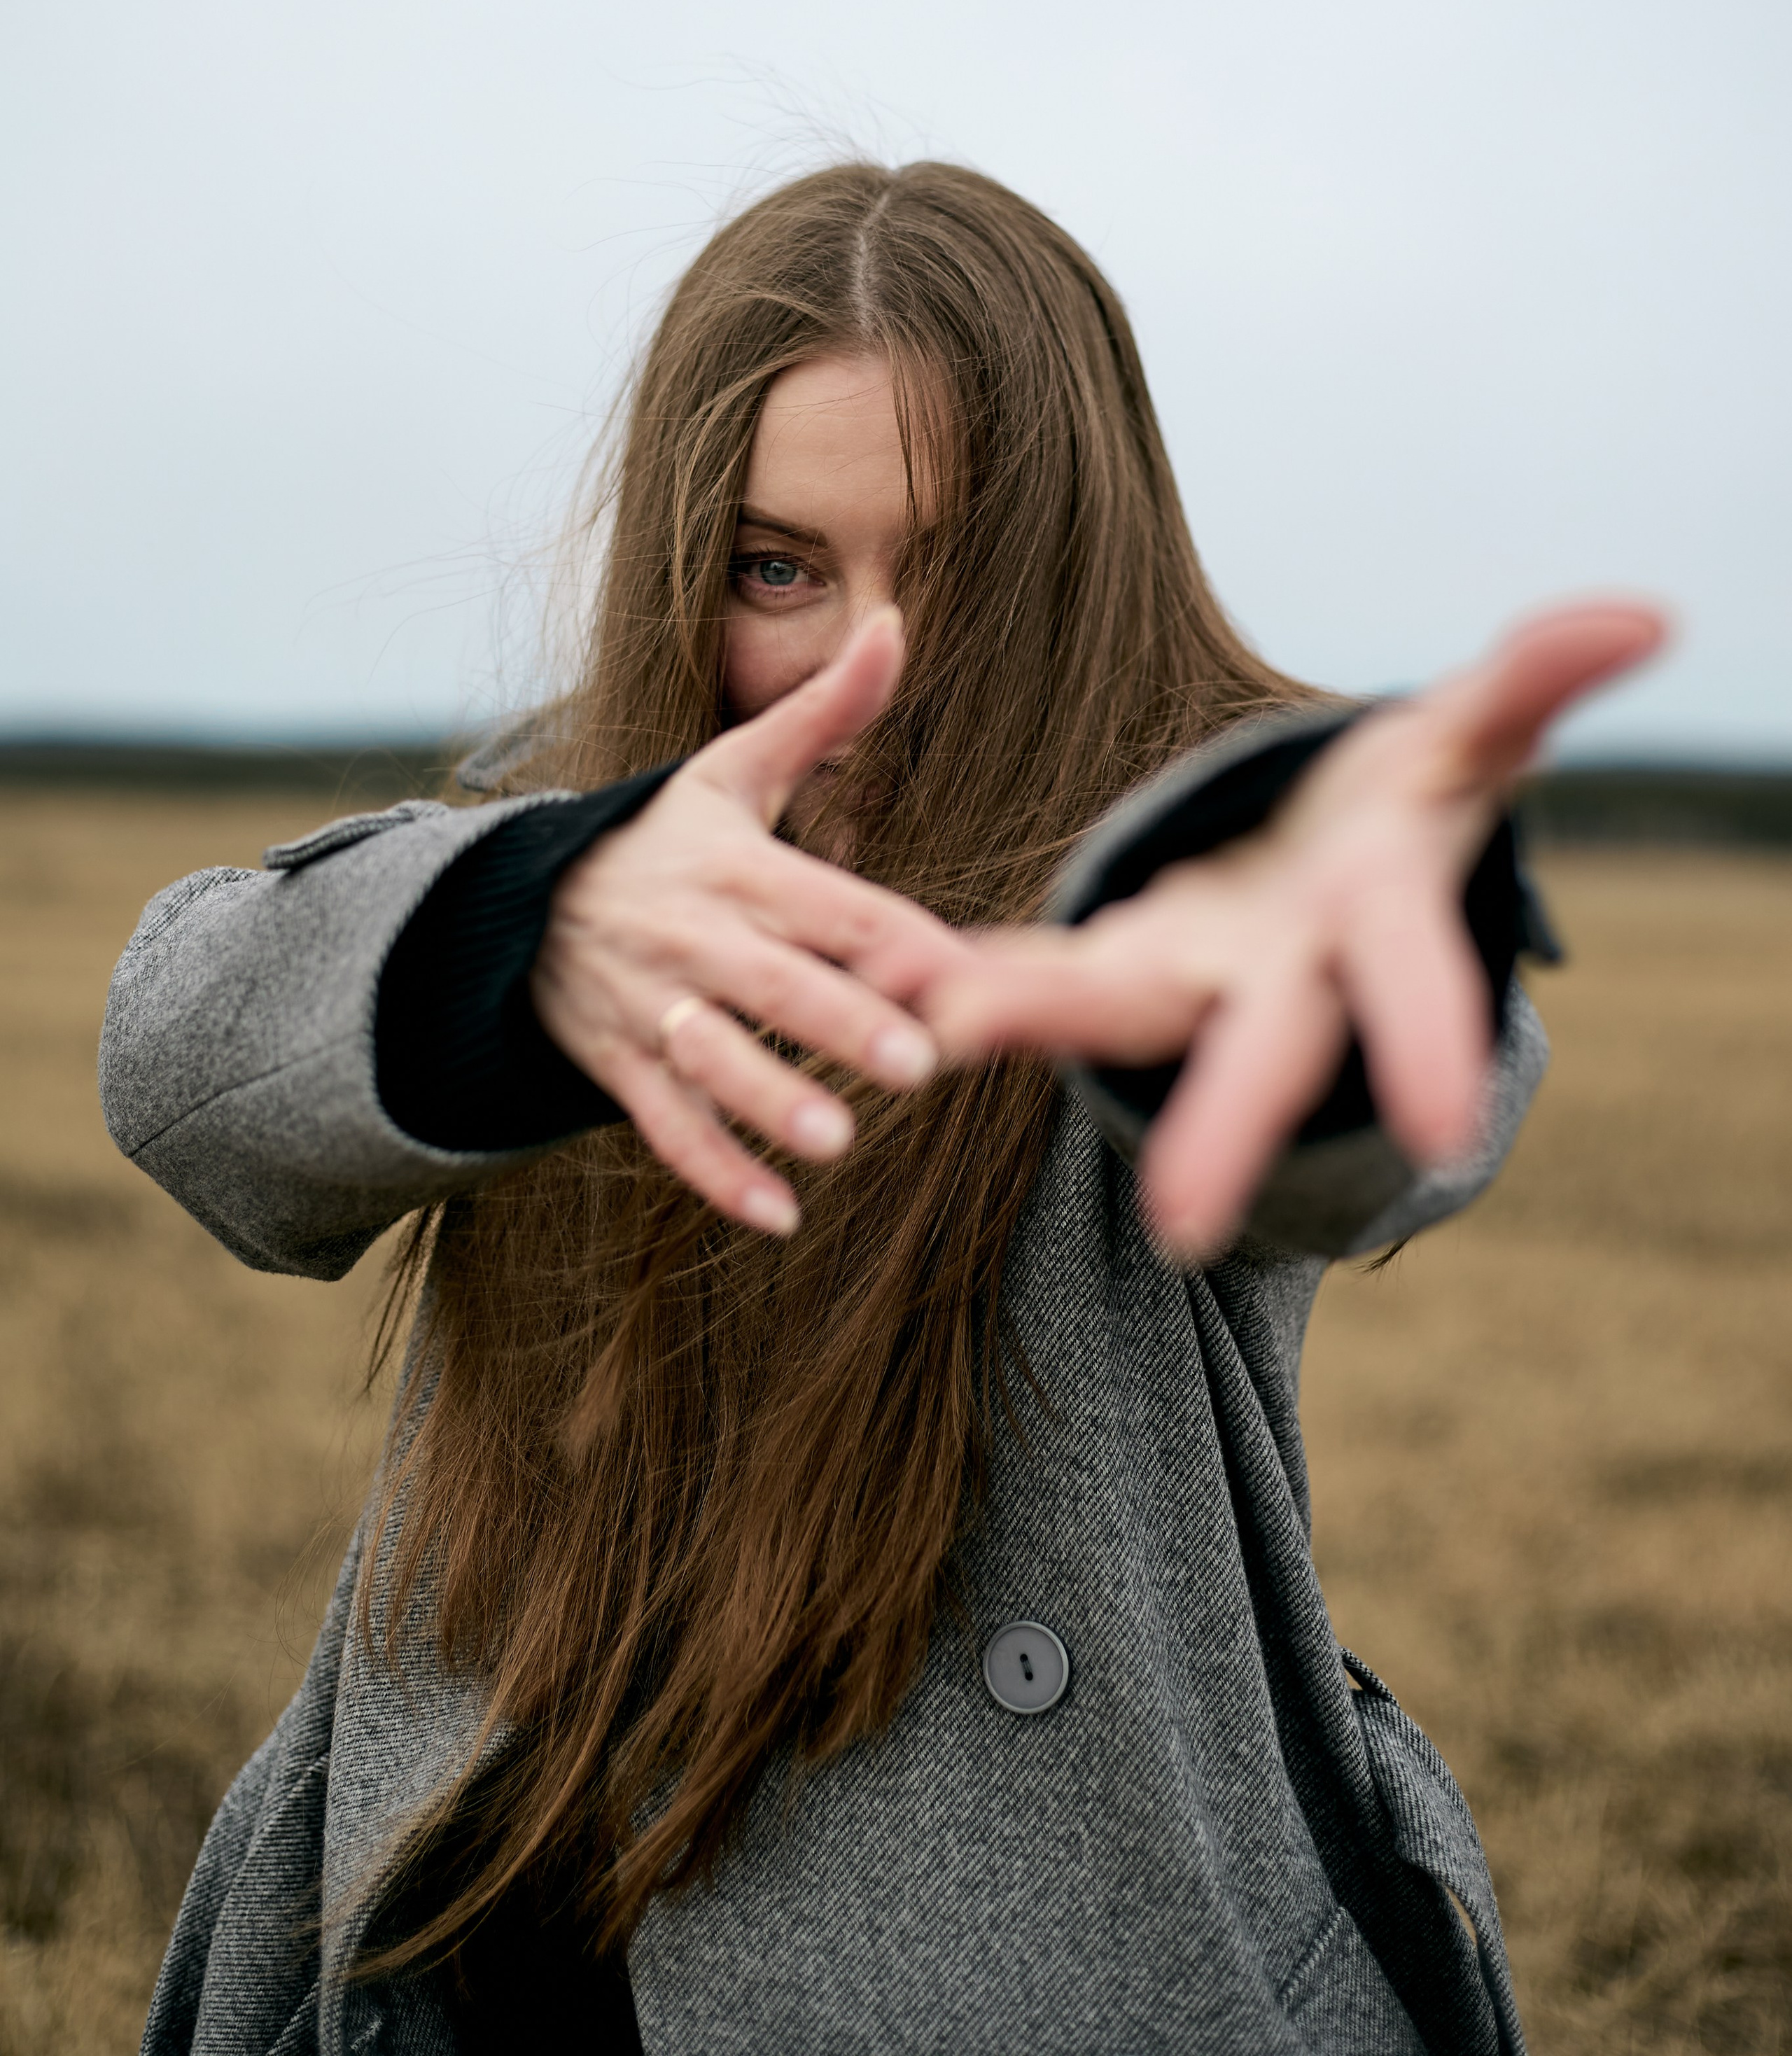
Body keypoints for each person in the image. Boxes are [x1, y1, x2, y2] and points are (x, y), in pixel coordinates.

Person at [101, 162, 1662, 2056]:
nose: (867, 676)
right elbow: (182, 1068)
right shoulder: (581, 834)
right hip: (491, 1967)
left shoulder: (1186, 851)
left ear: (1077, 557)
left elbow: (1401, 1093)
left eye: (959, 568)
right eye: (781, 568)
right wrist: (529, 939)